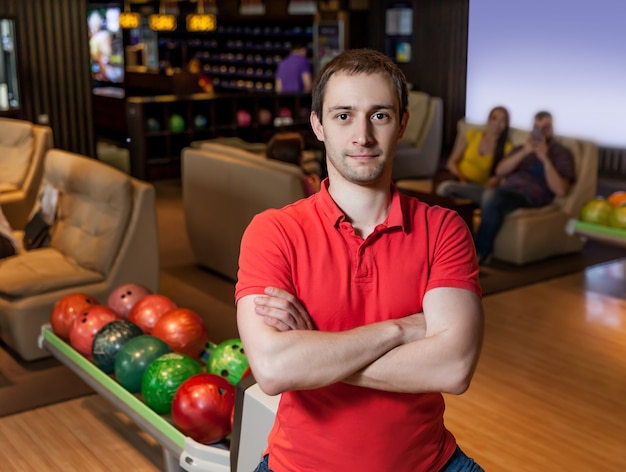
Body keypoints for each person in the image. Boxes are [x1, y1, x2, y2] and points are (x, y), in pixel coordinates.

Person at [236, 48, 484, 471]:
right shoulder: (273, 231)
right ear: (318, 125)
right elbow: (275, 369)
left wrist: (315, 353)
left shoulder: (444, 229)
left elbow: (453, 368)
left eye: (380, 116)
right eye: (343, 115)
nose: (363, 136)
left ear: (402, 123)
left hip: (431, 464)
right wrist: (403, 329)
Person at [474, 111, 576, 264]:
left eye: (546, 128)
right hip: (503, 192)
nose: (542, 132)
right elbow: (500, 170)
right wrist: (524, 152)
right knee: (447, 189)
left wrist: (545, 160)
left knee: (491, 196)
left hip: (529, 197)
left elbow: (561, 190)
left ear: (553, 129)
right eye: (537, 128)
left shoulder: (560, 153)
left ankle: (480, 253)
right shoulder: (521, 148)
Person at [435, 106, 513, 205]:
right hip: (457, 179)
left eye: (502, 120)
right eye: (494, 118)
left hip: (479, 188)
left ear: (506, 124)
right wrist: (462, 179)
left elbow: (498, 176)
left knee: (447, 189)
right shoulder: (471, 134)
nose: (497, 123)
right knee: (445, 187)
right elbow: (452, 161)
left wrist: (489, 185)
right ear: (488, 119)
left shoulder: (507, 147)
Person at [266, 132, 321, 196]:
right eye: (301, 152)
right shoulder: (304, 183)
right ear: (295, 156)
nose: (303, 155)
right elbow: (316, 197)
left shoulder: (268, 177)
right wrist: (316, 185)